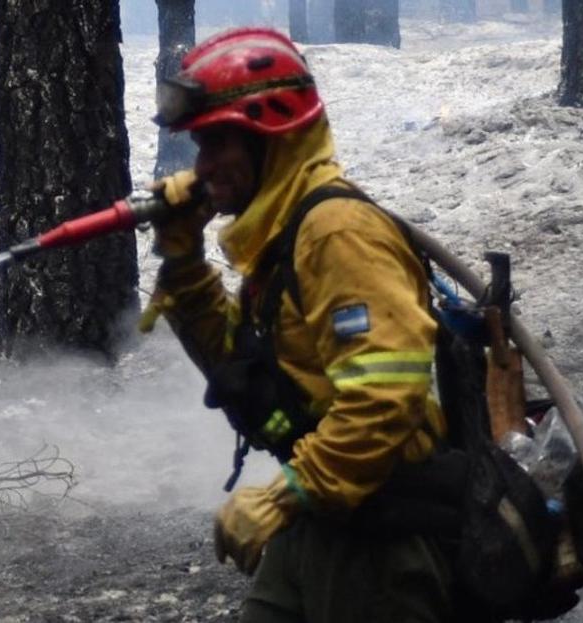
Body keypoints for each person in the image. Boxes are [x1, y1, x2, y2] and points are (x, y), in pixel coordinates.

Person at [143, 27, 454, 622]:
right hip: (324, 512)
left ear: (274, 136)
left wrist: (285, 494)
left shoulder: (337, 233)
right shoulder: (281, 234)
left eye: (219, 143)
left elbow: (386, 397)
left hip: (384, 537)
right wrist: (182, 260)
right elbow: (241, 370)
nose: (203, 166)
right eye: (199, 146)